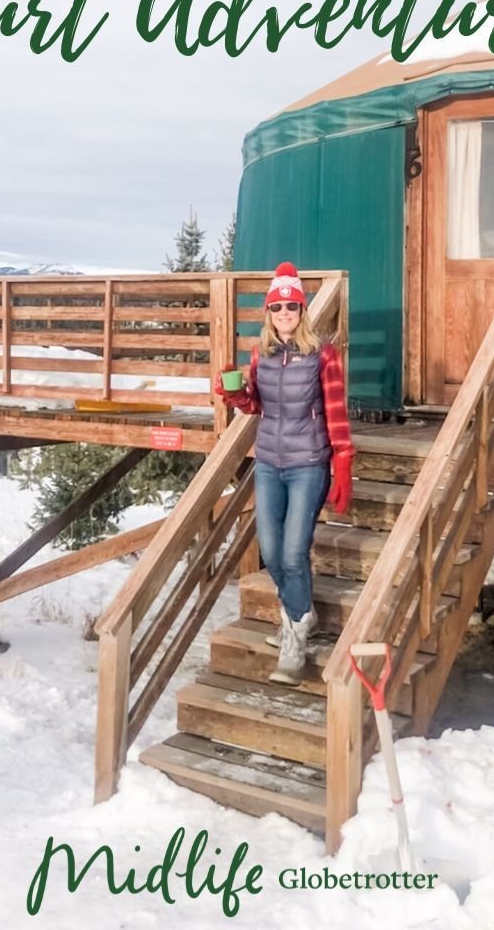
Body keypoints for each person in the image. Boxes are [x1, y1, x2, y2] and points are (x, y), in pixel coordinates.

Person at [214, 262, 355, 685]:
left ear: (302, 309)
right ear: (269, 313)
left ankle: (294, 640)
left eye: (291, 307)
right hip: (269, 463)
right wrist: (237, 393)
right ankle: (301, 616)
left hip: (308, 464)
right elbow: (257, 406)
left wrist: (342, 462)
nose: (284, 315)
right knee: (272, 553)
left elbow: (336, 413)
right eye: (277, 309)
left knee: (294, 552)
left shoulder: (323, 355)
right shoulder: (263, 354)